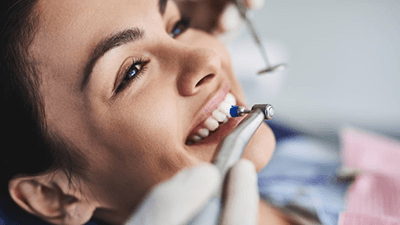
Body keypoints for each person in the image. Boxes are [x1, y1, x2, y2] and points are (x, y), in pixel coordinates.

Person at [0, 0, 295, 224]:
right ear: (53, 195)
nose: (207, 58)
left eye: (177, 26)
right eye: (132, 72)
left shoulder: (299, 151)